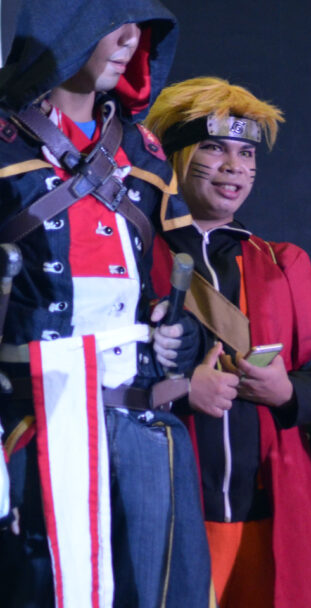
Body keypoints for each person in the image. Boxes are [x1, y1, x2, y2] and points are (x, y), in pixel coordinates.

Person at [0, 2, 210, 606]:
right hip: (34, 428)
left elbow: (185, 288)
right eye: (113, 21)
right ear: (66, 23)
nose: (130, 40)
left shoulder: (143, 154)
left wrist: (183, 338)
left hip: (139, 426)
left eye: (139, 26)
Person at [142, 77, 311, 607]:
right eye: (214, 148)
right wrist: (182, 390)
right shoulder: (132, 257)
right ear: (174, 155)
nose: (235, 166)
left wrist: (288, 391)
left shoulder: (284, 264)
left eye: (247, 152)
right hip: (165, 504)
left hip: (272, 509)